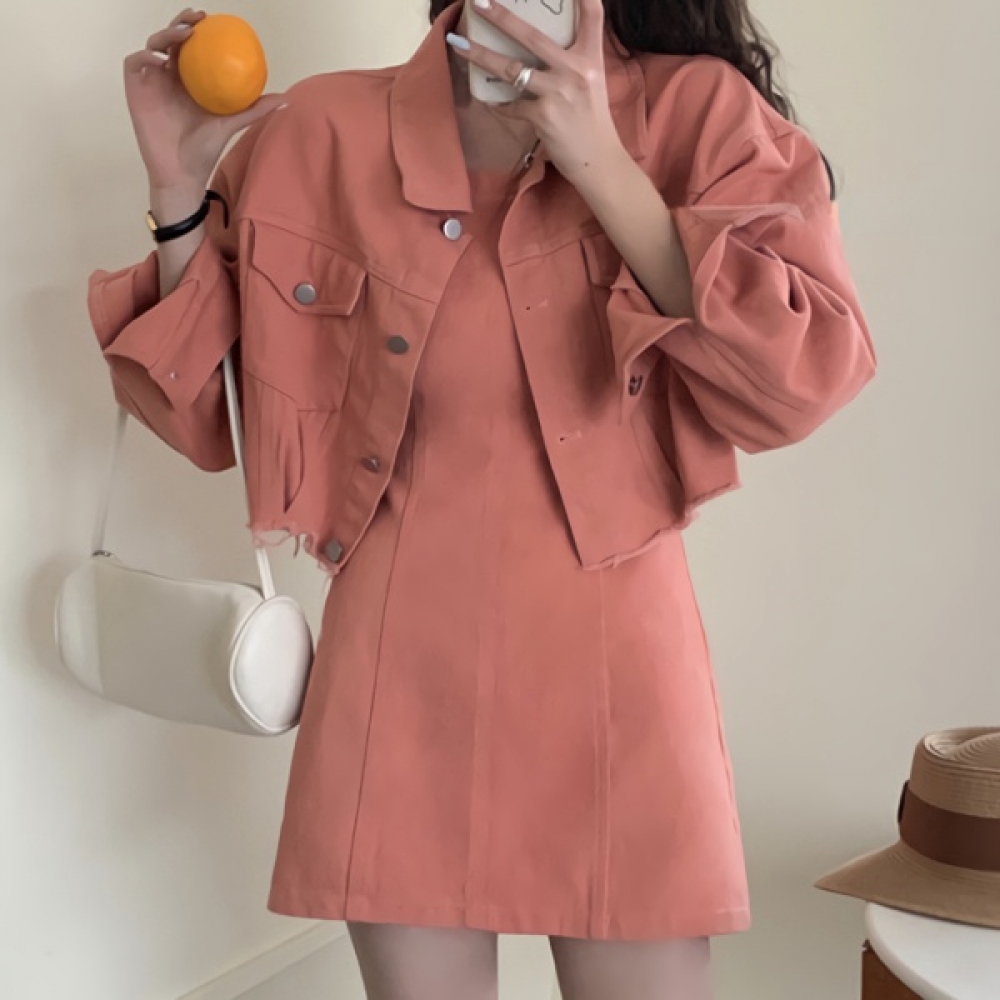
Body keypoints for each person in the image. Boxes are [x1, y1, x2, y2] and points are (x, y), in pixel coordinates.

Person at [88, 0, 876, 997]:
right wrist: (175, 190)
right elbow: (208, 416)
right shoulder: (321, 132)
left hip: (621, 686)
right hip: (396, 689)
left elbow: (802, 379)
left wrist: (600, 161)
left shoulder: (697, 115)